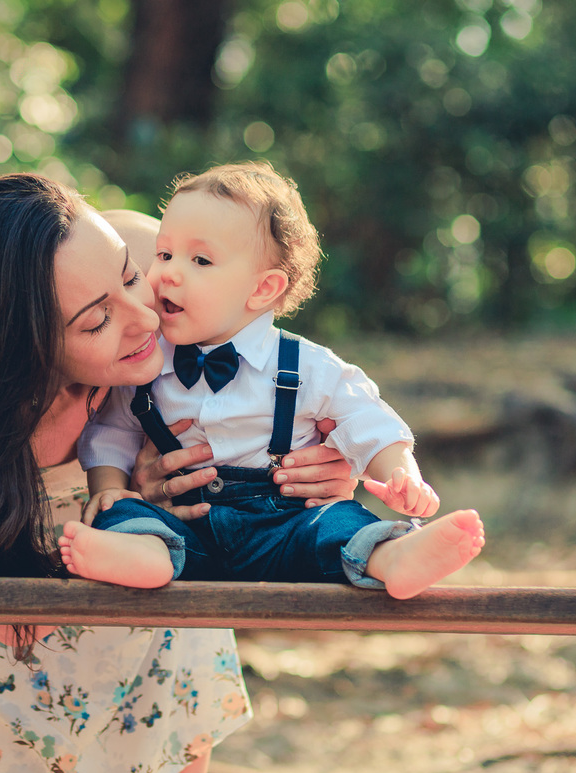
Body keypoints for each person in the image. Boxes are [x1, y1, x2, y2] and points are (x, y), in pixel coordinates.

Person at [0, 172, 362, 773]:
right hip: (6, 637)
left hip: (156, 619)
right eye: (96, 321)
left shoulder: (137, 243)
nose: (144, 319)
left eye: (131, 279)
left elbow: (271, 373)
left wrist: (323, 461)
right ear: (19, 344)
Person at [62, 162, 485, 598]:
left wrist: (402, 475)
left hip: (285, 526)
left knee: (337, 522)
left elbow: (366, 418)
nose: (167, 272)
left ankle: (393, 557)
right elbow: (111, 431)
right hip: (187, 533)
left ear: (262, 290)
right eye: (165, 254)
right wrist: (111, 490)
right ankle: (142, 556)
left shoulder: (306, 366)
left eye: (200, 259)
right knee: (128, 515)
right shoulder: (146, 365)